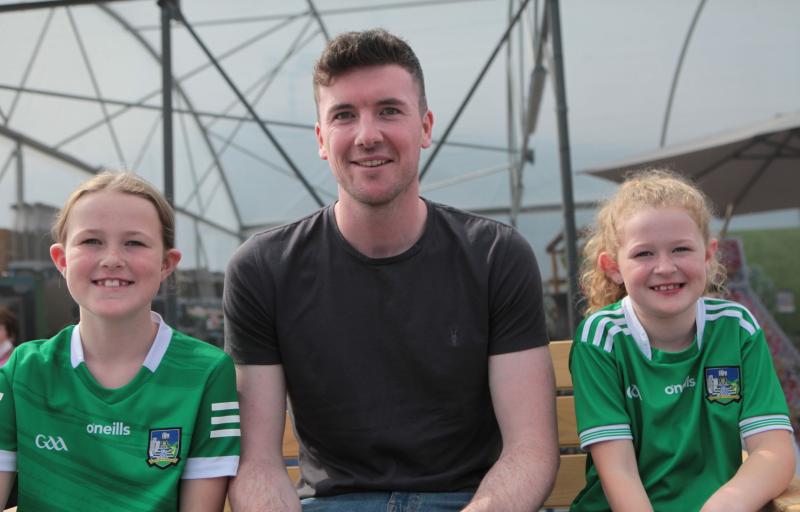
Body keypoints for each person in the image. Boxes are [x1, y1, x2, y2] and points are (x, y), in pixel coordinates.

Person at [223, 29, 558, 512]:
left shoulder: (497, 256)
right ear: (321, 139)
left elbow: (530, 450)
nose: (367, 135)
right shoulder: (262, 268)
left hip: (472, 501)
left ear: (424, 126)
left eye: (389, 110)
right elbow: (256, 464)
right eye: (343, 115)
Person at [0, 171, 240, 511]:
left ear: (166, 264)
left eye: (135, 242)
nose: (112, 258)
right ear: (62, 260)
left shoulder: (207, 373)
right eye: (91, 241)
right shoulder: (23, 371)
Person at [570, 169, 795, 511]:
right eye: (644, 254)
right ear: (613, 266)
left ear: (708, 255)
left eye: (681, 249)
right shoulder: (603, 338)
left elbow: (773, 451)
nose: (665, 267)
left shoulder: (736, 328)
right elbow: (620, 472)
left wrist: (724, 506)